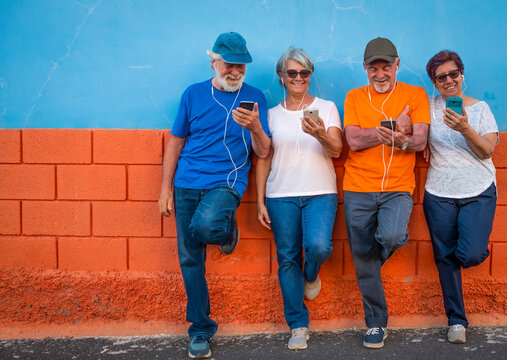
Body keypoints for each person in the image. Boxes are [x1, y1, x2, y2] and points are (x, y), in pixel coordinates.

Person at [158, 32, 271, 359]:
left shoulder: (255, 98)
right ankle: (201, 329)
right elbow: (176, 142)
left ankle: (225, 228)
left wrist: (255, 128)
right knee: (190, 258)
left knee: (207, 227)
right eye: (229, 64)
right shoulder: (193, 94)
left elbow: (264, 151)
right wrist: (164, 189)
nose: (235, 71)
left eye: (241, 66)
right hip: (186, 182)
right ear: (214, 62)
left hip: (228, 180)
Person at [343, 37, 430, 349]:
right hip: (357, 187)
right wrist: (393, 131)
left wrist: (401, 136)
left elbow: (420, 141)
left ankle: (367, 265)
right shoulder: (354, 96)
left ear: (397, 65)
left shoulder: (415, 94)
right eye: (373, 68)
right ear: (365, 69)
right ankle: (376, 323)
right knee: (364, 256)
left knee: (391, 237)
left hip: (397, 188)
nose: (380, 74)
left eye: (385, 67)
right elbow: (352, 140)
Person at [256, 47, 343, 350]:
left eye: (304, 72)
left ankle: (312, 274)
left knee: (318, 246)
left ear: (310, 76)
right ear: (281, 77)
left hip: (320, 191)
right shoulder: (272, 115)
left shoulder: (327, 107)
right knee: (287, 258)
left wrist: (319, 133)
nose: (298, 77)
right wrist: (260, 200)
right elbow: (264, 157)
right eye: (292, 72)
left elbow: (336, 150)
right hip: (280, 195)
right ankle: (298, 325)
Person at [423, 50, 498, 344]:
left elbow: (486, 150)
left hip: (478, 190)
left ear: (462, 75)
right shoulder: (427, 107)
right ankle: (456, 320)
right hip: (439, 192)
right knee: (444, 258)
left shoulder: (480, 109)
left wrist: (465, 127)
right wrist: (419, 143)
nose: (448, 80)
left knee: (470, 254)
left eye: (453, 74)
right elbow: (415, 133)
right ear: (434, 82)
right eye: (441, 77)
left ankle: (468, 252)